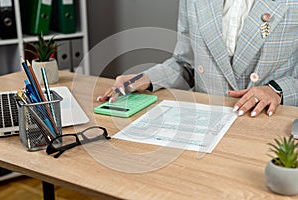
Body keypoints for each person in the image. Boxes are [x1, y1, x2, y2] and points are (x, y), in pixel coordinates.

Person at [98, 0, 298, 118]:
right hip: (207, 120)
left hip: (269, 122)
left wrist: (276, 90)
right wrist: (146, 78)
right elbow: (185, 64)